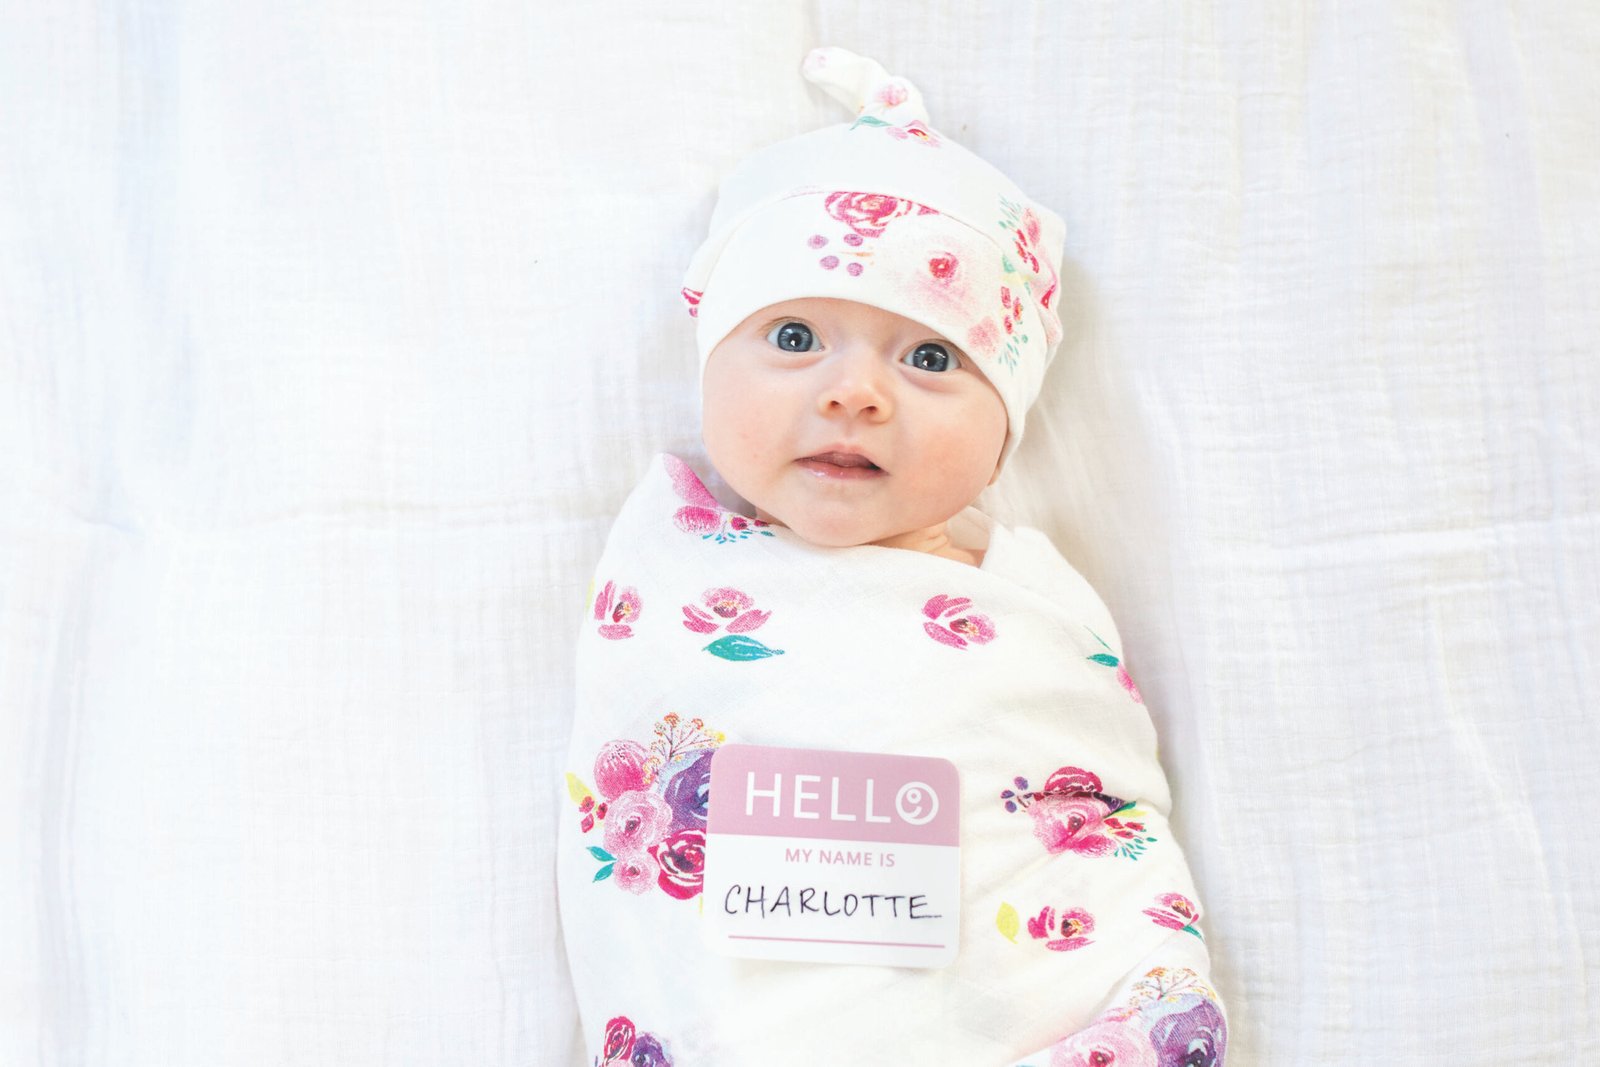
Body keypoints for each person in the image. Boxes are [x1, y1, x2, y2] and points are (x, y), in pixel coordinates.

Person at [557, 48, 1227, 1066]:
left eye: (929, 356)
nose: (853, 393)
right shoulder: (672, 576)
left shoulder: (1034, 611)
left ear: (1005, 428)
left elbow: (1102, 814)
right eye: (794, 337)